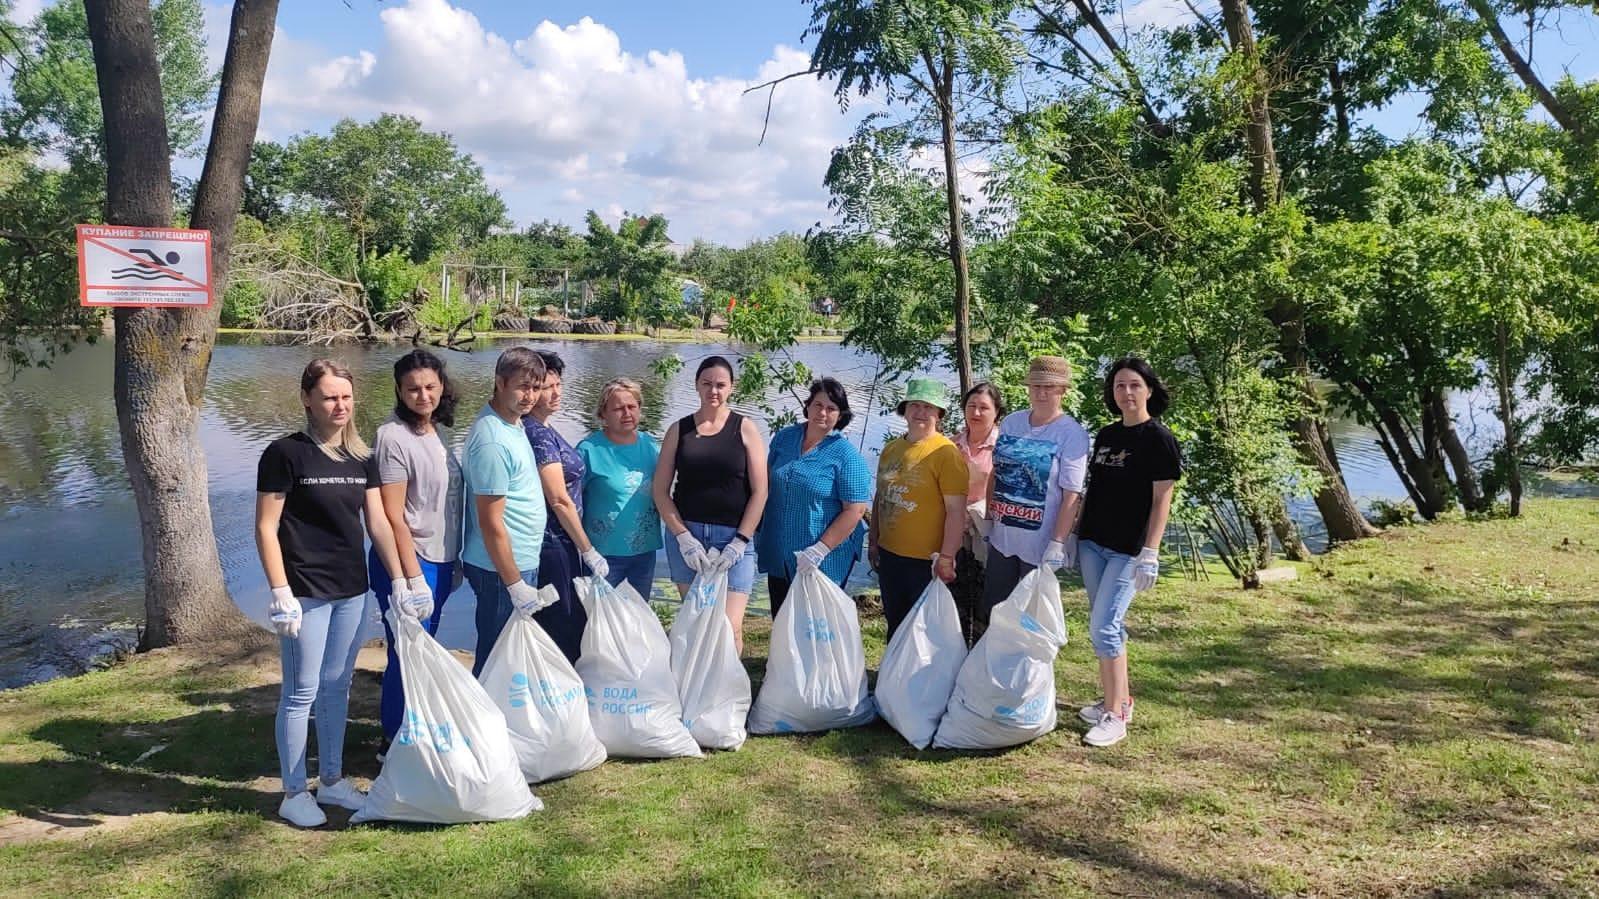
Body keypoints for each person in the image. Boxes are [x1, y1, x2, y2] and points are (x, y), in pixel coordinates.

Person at [255, 359, 406, 828]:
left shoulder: (361, 457)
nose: (340, 406)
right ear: (307, 399)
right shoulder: (285, 454)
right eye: (328, 397)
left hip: (352, 590)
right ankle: (293, 792)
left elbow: (378, 523)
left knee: (338, 685)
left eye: (345, 397)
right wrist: (279, 591)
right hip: (305, 591)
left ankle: (334, 780)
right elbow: (266, 527)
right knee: (300, 692)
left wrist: (401, 579)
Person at [1074, 358, 1181, 748]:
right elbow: (1094, 489)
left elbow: (1162, 500)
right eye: (1119, 385)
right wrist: (1072, 533)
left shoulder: (1160, 439)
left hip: (1128, 550)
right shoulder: (1106, 435)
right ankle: (1118, 700)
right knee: (1107, 626)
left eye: (1134, 384)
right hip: (1092, 542)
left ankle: (1115, 716)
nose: (1127, 392)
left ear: (1149, 389)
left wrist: (1150, 552)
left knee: (1103, 627)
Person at [369, 349, 464, 759]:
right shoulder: (392, 437)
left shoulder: (435, 430)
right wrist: (411, 578)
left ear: (442, 386)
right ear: (398, 390)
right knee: (406, 654)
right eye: (413, 389)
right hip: (411, 560)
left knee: (421, 652)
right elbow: (392, 515)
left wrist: (454, 558)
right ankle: (393, 742)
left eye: (430, 387)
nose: (423, 396)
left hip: (440, 558)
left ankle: (413, 726)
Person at [654, 356, 769, 653]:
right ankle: (695, 680)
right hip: (687, 537)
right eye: (706, 384)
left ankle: (729, 684)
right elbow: (660, 491)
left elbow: (760, 492)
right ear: (696, 385)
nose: (713, 391)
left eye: (720, 385)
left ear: (731, 387)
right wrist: (683, 538)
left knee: (730, 627)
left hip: (734, 538)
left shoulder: (745, 428)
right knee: (696, 623)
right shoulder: (678, 430)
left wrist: (740, 542)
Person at [461, 347, 553, 677]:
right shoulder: (493, 441)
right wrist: (515, 584)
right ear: (500, 383)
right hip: (499, 570)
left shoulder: (512, 424)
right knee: (497, 658)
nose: (530, 396)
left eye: (536, 387)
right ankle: (482, 708)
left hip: (517, 561)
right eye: (522, 387)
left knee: (511, 656)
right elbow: (490, 522)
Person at [983, 356, 1089, 628]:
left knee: (1031, 623)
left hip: (1040, 544)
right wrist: (989, 516)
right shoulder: (1012, 423)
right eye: (1036, 386)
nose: (1041, 393)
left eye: (1049, 387)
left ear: (1062, 390)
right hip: (1003, 539)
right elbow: (997, 471)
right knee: (995, 613)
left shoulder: (1071, 433)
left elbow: (1072, 494)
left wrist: (1058, 542)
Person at [756, 377, 870, 619]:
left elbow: (855, 510)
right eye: (818, 405)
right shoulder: (785, 438)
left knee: (815, 625)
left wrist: (820, 549)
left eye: (831, 408)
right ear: (807, 406)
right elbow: (765, 484)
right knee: (782, 619)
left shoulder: (846, 456)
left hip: (822, 558)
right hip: (780, 550)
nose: (823, 413)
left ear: (840, 415)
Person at [520, 350, 608, 663]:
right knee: (563, 624)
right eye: (547, 387)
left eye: (558, 385)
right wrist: (588, 550)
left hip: (564, 542)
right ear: (531, 391)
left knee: (571, 621)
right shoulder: (537, 435)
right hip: (553, 542)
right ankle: (561, 686)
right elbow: (558, 498)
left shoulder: (545, 428)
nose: (556, 393)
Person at [869, 377, 968, 641]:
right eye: (914, 405)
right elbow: (881, 497)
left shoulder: (946, 453)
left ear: (939, 413)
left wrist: (946, 557)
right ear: (905, 410)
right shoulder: (892, 449)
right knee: (895, 624)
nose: (920, 412)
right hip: (890, 554)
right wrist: (873, 541)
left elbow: (956, 512)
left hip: (927, 560)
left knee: (921, 633)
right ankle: (892, 668)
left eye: (928, 407)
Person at [578, 378, 663, 600]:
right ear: (603, 414)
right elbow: (571, 503)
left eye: (632, 406)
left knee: (638, 615)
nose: (626, 413)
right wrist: (584, 549)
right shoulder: (588, 450)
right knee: (601, 617)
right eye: (618, 409)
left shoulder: (651, 445)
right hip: (603, 555)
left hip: (644, 552)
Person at [952, 382, 1003, 645]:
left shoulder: (1004, 446)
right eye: (971, 406)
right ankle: (956, 647)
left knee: (986, 591)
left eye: (984, 407)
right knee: (955, 588)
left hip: (987, 529)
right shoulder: (951, 445)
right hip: (953, 528)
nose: (976, 412)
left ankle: (984, 648)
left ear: (997, 412)